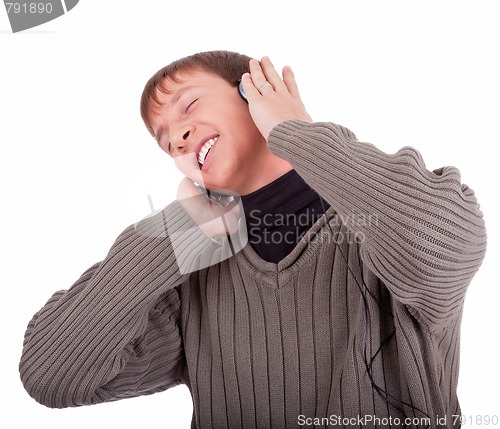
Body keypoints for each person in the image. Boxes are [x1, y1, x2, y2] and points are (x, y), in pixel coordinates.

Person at [19, 50, 487, 429]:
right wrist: (176, 232)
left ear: (253, 92)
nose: (177, 139)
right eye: (165, 143)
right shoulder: (189, 284)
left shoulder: (380, 228)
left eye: (190, 105)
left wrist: (295, 131)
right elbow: (51, 375)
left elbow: (443, 239)